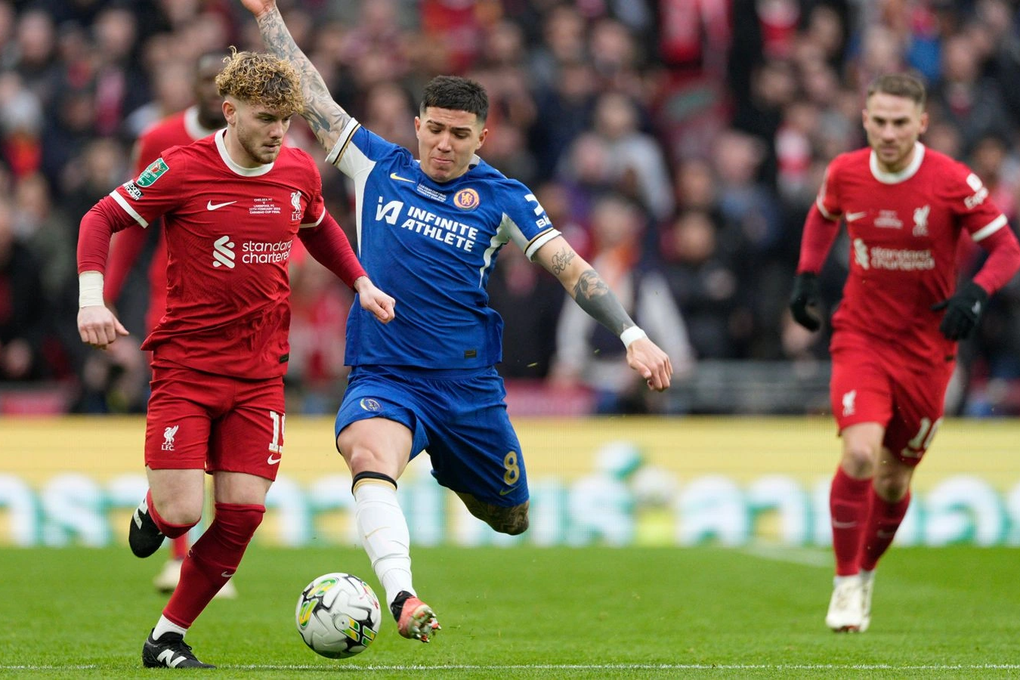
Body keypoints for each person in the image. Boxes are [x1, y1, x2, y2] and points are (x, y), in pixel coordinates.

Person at [241, 0, 673, 644]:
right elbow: (309, 92)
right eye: (434, 129)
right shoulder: (377, 167)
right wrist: (268, 14)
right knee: (365, 451)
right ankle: (403, 596)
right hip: (386, 372)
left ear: (481, 139)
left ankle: (449, 458)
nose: (444, 144)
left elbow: (569, 266)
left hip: (466, 388)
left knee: (510, 515)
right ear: (417, 125)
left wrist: (632, 334)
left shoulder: (503, 198)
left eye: (459, 134)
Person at [76, 48, 395, 668]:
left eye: (286, 120)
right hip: (186, 368)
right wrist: (92, 299)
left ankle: (167, 637)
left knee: (243, 515)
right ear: (230, 112)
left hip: (259, 376)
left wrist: (359, 281)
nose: (278, 132)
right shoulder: (180, 168)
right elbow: (100, 219)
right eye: (265, 119)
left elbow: (319, 225)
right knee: (180, 513)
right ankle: (154, 510)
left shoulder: (298, 169)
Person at [788, 73, 1020, 633]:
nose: (889, 133)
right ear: (864, 120)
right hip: (861, 336)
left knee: (894, 481)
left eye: (900, 123)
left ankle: (866, 570)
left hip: (927, 351)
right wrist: (805, 277)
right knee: (861, 456)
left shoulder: (951, 181)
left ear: (921, 123)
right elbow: (823, 216)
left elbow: (1006, 248)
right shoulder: (845, 171)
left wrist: (975, 293)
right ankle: (845, 583)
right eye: (879, 121)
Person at [104, 50, 234, 599]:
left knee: (226, 431)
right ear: (193, 85)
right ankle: (183, 557)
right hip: (174, 300)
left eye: (219, 81)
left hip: (240, 306)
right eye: (202, 79)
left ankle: (191, 538)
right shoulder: (160, 140)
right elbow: (131, 225)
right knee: (185, 422)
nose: (209, 90)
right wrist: (103, 297)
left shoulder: (260, 137)